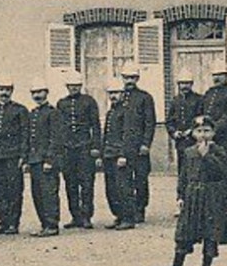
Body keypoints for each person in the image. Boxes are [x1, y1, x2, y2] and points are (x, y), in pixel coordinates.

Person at [151, 117, 227, 266]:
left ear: (214, 133)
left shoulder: (219, 151)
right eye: (199, 131)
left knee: (210, 233)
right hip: (192, 195)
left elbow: (221, 172)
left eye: (207, 131)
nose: (203, 135)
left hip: (211, 196)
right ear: (193, 133)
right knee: (184, 232)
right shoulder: (188, 152)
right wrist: (180, 196)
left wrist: (207, 156)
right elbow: (184, 176)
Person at [57, 70, 101, 230]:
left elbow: (95, 125)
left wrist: (96, 147)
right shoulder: (61, 103)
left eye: (76, 85)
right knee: (70, 183)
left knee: (87, 182)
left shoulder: (89, 102)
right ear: (67, 86)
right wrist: (60, 149)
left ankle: (86, 216)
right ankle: (75, 216)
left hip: (84, 147)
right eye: (71, 85)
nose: (74, 88)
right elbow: (59, 128)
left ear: (81, 85)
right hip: (68, 148)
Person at [0, 77, 30, 235]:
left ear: (12, 91)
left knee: (14, 189)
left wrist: (23, 156)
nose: (4, 92)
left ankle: (13, 223)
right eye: (1, 89)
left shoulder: (20, 110)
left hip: (13, 155)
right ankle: (3, 222)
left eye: (7, 89)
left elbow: (25, 134)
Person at [200, 63, 227, 218]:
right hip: (209, 139)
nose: (217, 78)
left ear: (226, 76)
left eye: (221, 74)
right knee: (210, 170)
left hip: (226, 138)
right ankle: (214, 205)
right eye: (215, 75)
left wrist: (213, 130)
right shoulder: (208, 93)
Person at [99, 78, 142, 230]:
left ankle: (129, 218)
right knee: (112, 188)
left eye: (116, 93)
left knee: (124, 187)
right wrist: (102, 154)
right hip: (109, 154)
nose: (113, 96)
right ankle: (119, 215)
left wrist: (124, 155)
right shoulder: (111, 112)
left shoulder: (128, 112)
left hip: (120, 155)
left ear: (123, 94)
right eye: (110, 93)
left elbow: (129, 135)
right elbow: (107, 135)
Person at [118, 64, 158, 222]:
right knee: (124, 180)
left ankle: (140, 209)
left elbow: (150, 122)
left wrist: (146, 144)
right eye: (126, 77)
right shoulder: (119, 97)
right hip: (123, 146)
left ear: (137, 79)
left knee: (141, 178)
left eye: (132, 78)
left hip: (139, 145)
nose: (129, 81)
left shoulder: (145, 97)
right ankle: (127, 211)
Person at [25, 77, 63, 236]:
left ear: (46, 93)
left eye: (40, 92)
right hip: (35, 160)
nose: (37, 95)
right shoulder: (33, 113)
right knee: (37, 194)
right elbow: (29, 138)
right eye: (34, 93)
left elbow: (56, 138)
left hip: (46, 161)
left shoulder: (53, 113)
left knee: (49, 193)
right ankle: (44, 224)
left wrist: (50, 159)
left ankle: (52, 225)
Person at [165, 76, 204, 164]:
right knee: (182, 168)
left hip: (195, 140)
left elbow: (201, 118)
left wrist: (191, 130)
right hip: (180, 142)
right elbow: (169, 121)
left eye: (187, 83)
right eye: (182, 83)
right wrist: (174, 132)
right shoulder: (175, 101)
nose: (185, 86)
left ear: (191, 84)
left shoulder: (199, 99)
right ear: (178, 85)